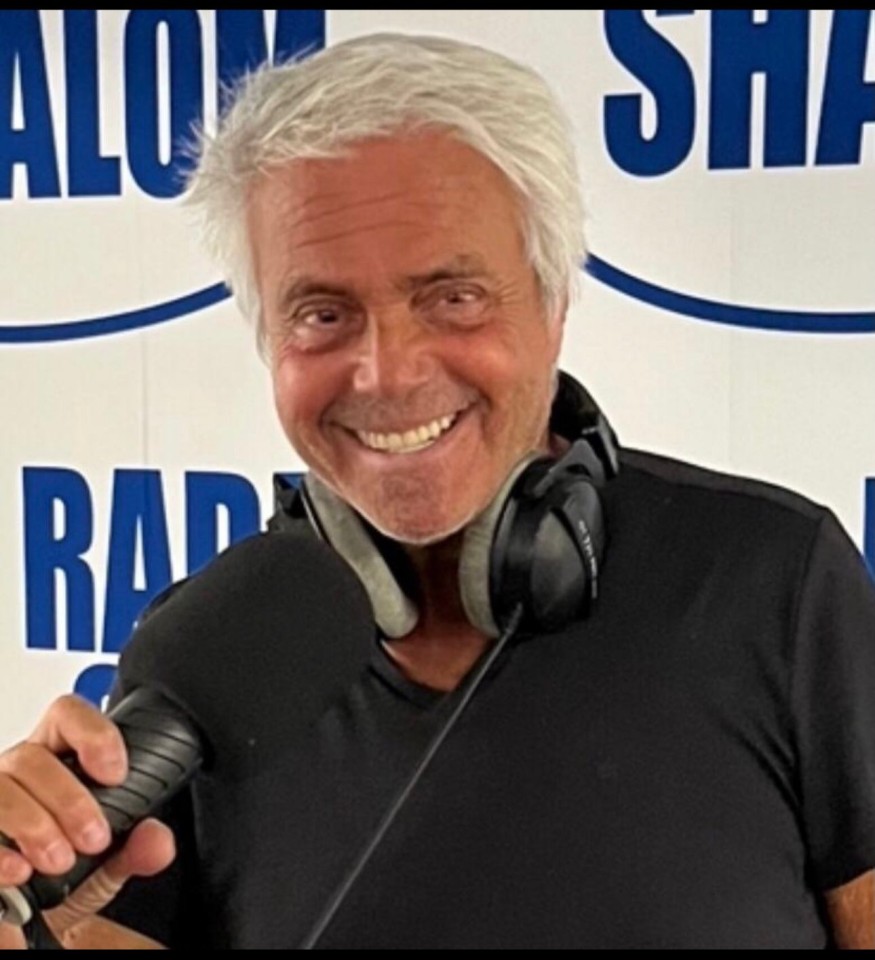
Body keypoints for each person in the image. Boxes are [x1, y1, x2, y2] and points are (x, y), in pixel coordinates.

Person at [2, 32, 875, 950]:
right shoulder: (209, 665)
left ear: (552, 303)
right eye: (322, 313)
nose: (387, 373)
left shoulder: (777, 586)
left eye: (452, 297)